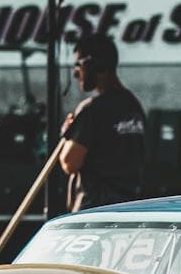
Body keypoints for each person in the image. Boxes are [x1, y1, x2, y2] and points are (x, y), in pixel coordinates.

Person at [57, 33, 146, 210]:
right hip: (130, 209)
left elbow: (69, 163)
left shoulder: (92, 109)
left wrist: (67, 135)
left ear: (96, 65)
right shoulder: (134, 106)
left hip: (95, 213)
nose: (75, 73)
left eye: (78, 64)